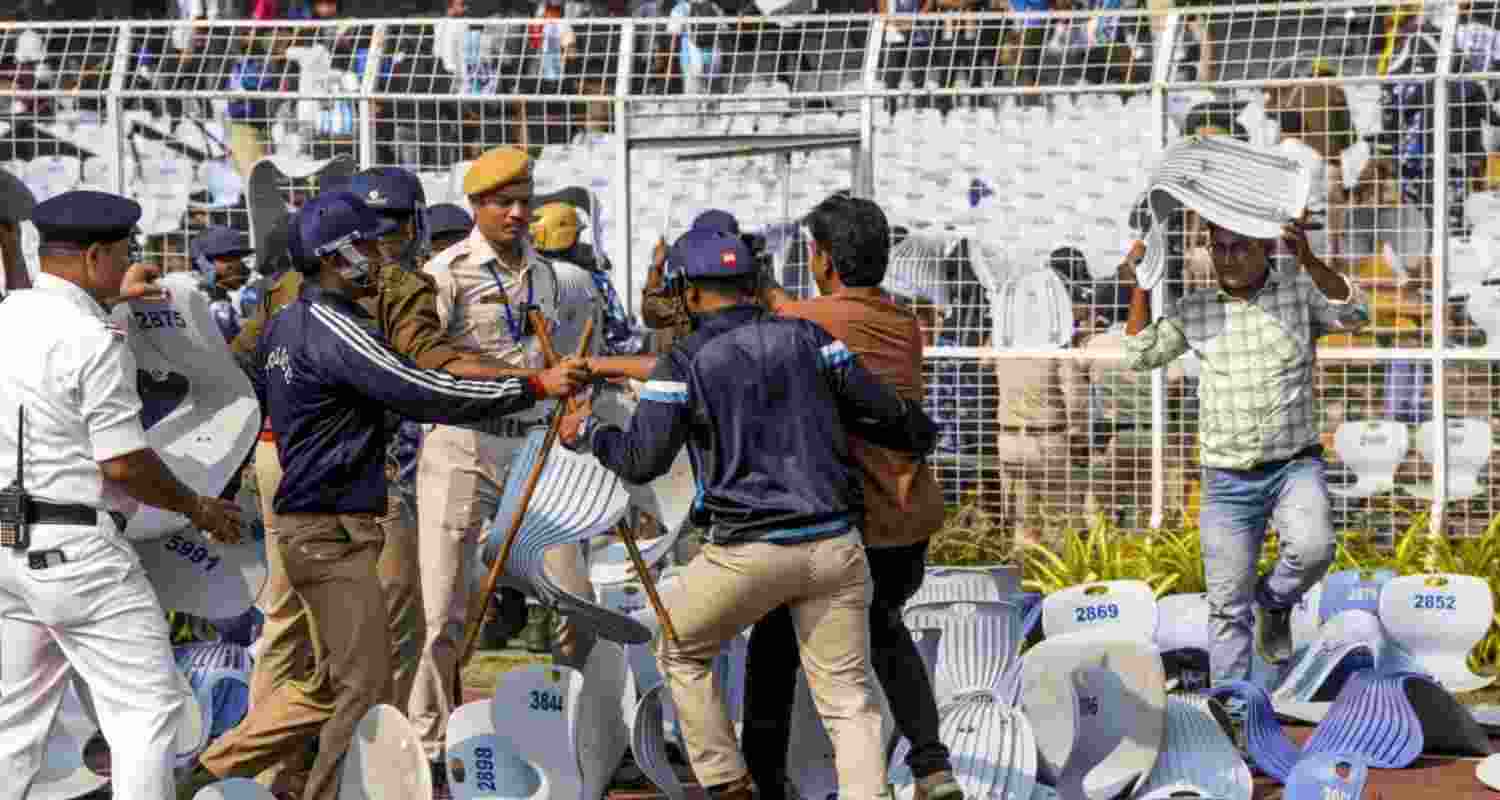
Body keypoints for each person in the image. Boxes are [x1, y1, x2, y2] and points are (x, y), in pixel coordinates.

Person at [176, 191, 589, 800]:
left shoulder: (287, 321)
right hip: (332, 529)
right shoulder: (336, 327)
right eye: (367, 245)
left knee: (327, 682)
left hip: (316, 523)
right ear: (336, 255)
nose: (380, 255)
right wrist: (531, 385)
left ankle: (203, 774)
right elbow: (421, 390)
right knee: (363, 685)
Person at [560, 226, 939, 800]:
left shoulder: (684, 361)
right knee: (848, 701)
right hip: (835, 546)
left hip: (746, 554)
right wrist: (920, 432)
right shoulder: (811, 339)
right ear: (754, 283)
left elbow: (641, 461)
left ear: (689, 293)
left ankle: (726, 783)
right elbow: (886, 413)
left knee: (679, 647)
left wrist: (588, 431)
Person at [0, 190, 243, 800]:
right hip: (79, 550)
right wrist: (199, 506)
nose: (130, 262)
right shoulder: (92, 337)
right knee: (148, 714)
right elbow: (124, 463)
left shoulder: (7, 316)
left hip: (9, 543)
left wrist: (112, 300)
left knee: (12, 727)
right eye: (125, 252)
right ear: (94, 256)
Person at [738, 195, 960, 800]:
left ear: (825, 260)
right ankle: (932, 766)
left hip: (851, 518)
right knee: (885, 631)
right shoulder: (902, 323)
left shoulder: (808, 323)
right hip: (909, 517)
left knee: (776, 641)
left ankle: (764, 779)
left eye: (812, 251)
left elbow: (787, 326)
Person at [411, 146, 605, 772]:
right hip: (463, 444)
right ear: (477, 206)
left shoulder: (553, 277)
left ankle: (576, 735)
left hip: (536, 447)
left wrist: (576, 398)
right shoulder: (446, 272)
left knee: (576, 598)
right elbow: (428, 365)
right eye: (504, 203)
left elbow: (581, 355)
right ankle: (429, 746)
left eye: (525, 201)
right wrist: (521, 379)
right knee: (442, 608)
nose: (518, 214)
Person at [1120, 217, 1369, 693]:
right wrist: (1139, 283)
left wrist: (1311, 261)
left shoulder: (1297, 292)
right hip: (1226, 479)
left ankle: (1274, 602)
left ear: (1263, 249)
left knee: (1314, 549)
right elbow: (1138, 356)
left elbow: (1357, 315)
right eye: (1219, 248)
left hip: (1294, 464)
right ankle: (1233, 713)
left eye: (1240, 248)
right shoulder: (1195, 309)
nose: (1229, 257)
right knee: (1227, 606)